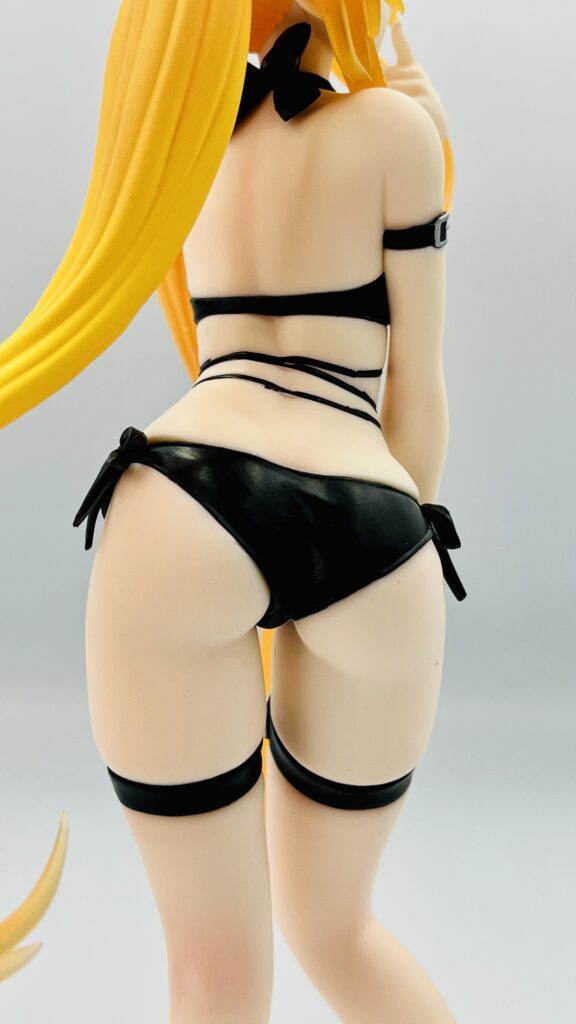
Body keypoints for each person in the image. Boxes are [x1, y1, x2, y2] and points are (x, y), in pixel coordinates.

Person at [0, 2, 466, 1020]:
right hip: (372, 519)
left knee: (211, 965)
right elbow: (417, 400)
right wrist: (411, 550)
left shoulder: (183, 145)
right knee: (339, 929)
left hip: (182, 502)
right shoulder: (398, 134)